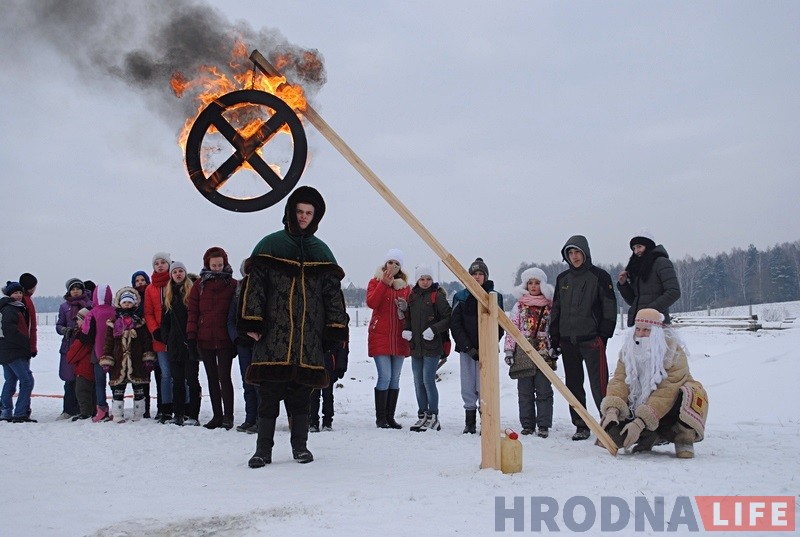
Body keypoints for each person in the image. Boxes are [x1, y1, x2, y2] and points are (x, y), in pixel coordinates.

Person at [237, 185, 349, 467]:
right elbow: (255, 288)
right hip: (273, 335)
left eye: (309, 213)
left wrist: (335, 328)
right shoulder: (270, 245)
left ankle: (300, 446)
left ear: (316, 217)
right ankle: (263, 450)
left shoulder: (321, 251)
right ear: (290, 212)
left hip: (308, 336)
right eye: (299, 211)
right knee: (269, 395)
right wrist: (252, 319)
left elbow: (333, 295)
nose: (303, 217)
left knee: (302, 395)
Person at [599, 309, 708, 458]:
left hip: (668, 410)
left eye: (646, 330)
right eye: (638, 329)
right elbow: (619, 381)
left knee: (692, 392)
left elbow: (667, 393)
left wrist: (641, 422)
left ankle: (684, 438)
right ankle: (650, 436)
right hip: (637, 406)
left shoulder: (673, 352)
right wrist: (612, 410)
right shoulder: (628, 351)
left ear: (656, 332)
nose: (641, 334)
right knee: (613, 436)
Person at [549, 236, 617, 441]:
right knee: (574, 385)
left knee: (600, 385)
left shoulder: (599, 276)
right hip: (568, 341)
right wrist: (555, 338)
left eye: (577, 252)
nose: (574, 256)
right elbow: (556, 310)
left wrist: (603, 336)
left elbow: (609, 308)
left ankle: (608, 423)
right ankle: (581, 425)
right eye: (570, 253)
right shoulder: (563, 279)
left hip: (592, 340)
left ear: (585, 253)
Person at [450, 257, 504, 434]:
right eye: (474, 273)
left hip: (487, 349)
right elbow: (456, 325)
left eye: (481, 274)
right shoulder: (461, 297)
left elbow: (500, 325)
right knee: (468, 385)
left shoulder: (494, 297)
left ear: (486, 276)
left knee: (485, 385)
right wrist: (468, 348)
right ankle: (470, 421)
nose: (477, 277)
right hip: (467, 350)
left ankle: (486, 421)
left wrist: (488, 344)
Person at [188, 247, 237, 430]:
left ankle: (228, 416)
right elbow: (193, 312)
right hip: (205, 338)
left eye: (220, 265)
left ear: (225, 264)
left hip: (225, 339)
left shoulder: (232, 284)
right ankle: (217, 415)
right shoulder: (199, 285)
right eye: (213, 265)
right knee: (211, 377)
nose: (217, 268)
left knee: (225, 377)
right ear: (207, 264)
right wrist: (191, 336)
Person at [504, 267, 556, 438]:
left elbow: (554, 328)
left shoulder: (550, 305)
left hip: (543, 351)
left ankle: (543, 424)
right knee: (525, 391)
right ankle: (527, 424)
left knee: (544, 390)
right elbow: (512, 329)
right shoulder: (519, 306)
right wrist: (509, 351)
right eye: (530, 283)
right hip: (523, 351)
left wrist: (554, 346)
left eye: (537, 283)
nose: (533, 286)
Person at [402, 263, 451, 432]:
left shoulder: (437, 296)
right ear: (417, 280)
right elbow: (409, 316)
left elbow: (448, 318)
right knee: (417, 382)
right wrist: (407, 330)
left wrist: (434, 329)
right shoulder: (413, 296)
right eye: (422, 279)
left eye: (428, 279)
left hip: (432, 346)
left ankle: (433, 415)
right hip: (416, 346)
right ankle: (422, 415)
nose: (425, 282)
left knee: (428, 380)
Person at [366, 248, 411, 429]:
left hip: (399, 337)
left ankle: (390, 417)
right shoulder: (375, 281)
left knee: (395, 378)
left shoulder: (405, 288)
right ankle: (381, 418)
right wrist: (383, 284)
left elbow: (410, 312)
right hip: (380, 336)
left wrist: (405, 307)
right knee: (384, 376)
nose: (393, 266)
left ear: (400, 267)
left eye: (397, 263)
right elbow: (371, 303)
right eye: (390, 262)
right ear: (385, 264)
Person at [100, 287, 155, 423]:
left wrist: (148, 357)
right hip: (119, 361)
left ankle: (139, 414)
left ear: (134, 304)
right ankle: (118, 414)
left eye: (129, 302)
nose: (127, 305)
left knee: (138, 389)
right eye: (124, 302)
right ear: (120, 303)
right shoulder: (113, 323)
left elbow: (146, 341)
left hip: (136, 360)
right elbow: (108, 342)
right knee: (118, 389)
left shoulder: (140, 322)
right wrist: (107, 359)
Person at [161, 261, 202, 426]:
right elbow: (165, 322)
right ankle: (178, 414)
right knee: (176, 380)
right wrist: (166, 338)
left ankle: (193, 415)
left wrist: (193, 338)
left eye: (180, 271)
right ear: (171, 275)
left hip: (190, 344)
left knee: (192, 379)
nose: (178, 274)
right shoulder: (169, 296)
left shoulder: (192, 293)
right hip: (174, 345)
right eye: (175, 272)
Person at [617, 231, 681, 327]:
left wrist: (649, 311)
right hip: (638, 323)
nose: (636, 251)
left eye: (639, 246)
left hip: (657, 322)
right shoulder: (636, 268)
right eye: (634, 248)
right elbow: (634, 301)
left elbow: (674, 292)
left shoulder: (662, 263)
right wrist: (623, 285)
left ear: (648, 246)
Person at [227, 261, 259, 434]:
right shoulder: (238, 290)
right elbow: (231, 317)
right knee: (247, 382)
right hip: (243, 343)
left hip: (261, 343)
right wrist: (236, 337)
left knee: (260, 383)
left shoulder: (265, 288)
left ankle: (262, 419)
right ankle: (250, 418)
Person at [79, 283, 116, 422]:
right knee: (114, 382)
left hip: (97, 352)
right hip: (113, 353)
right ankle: (117, 408)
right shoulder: (114, 311)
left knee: (100, 383)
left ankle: (102, 409)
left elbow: (86, 334)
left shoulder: (92, 313)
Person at [55, 278, 91, 420]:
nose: (75, 291)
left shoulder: (89, 305)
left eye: (78, 288)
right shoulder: (64, 307)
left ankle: (85, 408)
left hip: (84, 346)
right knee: (69, 379)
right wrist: (65, 330)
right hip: (69, 346)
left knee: (83, 378)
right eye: (73, 289)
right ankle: (68, 409)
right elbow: (59, 325)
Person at [0, 281, 36, 423]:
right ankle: (20, 413)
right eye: (15, 293)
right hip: (14, 351)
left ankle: (6, 411)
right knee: (27, 381)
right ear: (9, 294)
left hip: (6, 351)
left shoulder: (14, 308)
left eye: (20, 292)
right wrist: (25, 343)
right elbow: (10, 331)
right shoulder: (10, 309)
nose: (19, 295)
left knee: (10, 380)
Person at [144, 253, 173, 423]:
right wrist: (155, 330)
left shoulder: (174, 283)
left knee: (179, 374)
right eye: (157, 263)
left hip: (175, 336)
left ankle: (182, 407)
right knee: (165, 373)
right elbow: (148, 312)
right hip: (159, 337)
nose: (160, 265)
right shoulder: (150, 288)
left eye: (163, 262)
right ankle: (165, 408)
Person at [309, 340, 348, 432]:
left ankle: (327, 421)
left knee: (327, 396)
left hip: (329, 366)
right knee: (313, 396)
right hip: (314, 365)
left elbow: (343, 346)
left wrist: (340, 367)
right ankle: (313, 421)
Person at [131, 270, 154, 418]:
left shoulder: (150, 294)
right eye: (137, 281)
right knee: (141, 375)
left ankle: (162, 406)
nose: (140, 283)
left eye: (142, 280)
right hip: (137, 340)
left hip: (152, 336)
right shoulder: (131, 297)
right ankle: (143, 407)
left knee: (159, 373)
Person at [66, 307, 95, 421]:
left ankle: (85, 412)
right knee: (90, 391)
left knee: (82, 391)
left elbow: (72, 355)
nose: (77, 322)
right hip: (88, 366)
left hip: (84, 368)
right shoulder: (88, 334)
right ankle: (91, 411)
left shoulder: (83, 336)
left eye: (78, 319)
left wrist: (69, 356)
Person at [19, 273, 38, 360]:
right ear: (32, 288)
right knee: (24, 373)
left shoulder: (14, 300)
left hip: (9, 346)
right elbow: (31, 326)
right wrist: (32, 347)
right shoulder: (27, 301)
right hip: (24, 345)